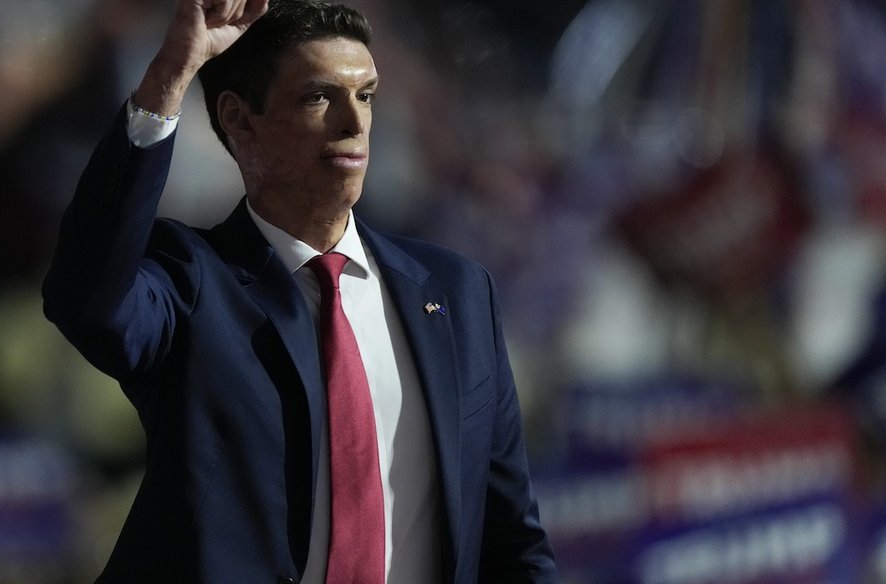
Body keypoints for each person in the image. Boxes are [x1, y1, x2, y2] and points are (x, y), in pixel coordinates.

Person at [42, 0, 559, 581]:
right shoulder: (191, 280)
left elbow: (511, 535)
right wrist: (167, 79)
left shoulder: (457, 294)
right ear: (239, 120)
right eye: (319, 97)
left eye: (366, 95)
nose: (354, 122)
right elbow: (84, 297)